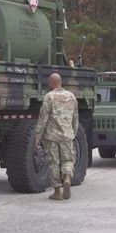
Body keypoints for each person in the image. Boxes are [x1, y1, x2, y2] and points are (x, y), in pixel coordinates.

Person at [33, 73, 79, 201]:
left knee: (53, 163)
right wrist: (73, 133)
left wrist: (37, 136)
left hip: (51, 137)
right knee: (68, 160)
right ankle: (67, 178)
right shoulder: (71, 96)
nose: (48, 84)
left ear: (53, 83)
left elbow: (43, 118)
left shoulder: (49, 97)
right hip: (67, 135)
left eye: (49, 82)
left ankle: (57, 192)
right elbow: (75, 117)